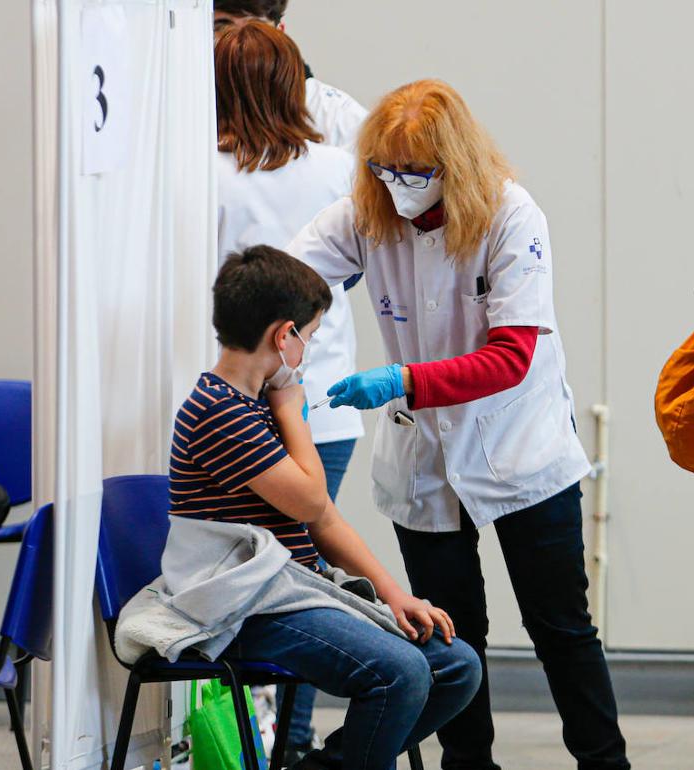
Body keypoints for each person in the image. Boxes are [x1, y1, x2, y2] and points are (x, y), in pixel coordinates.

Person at [287, 79, 631, 770]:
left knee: (559, 626)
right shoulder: (367, 211)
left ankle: (604, 762)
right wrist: (263, 327)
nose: (399, 186)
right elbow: (288, 276)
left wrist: (402, 379)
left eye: (415, 172)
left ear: (455, 162)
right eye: (385, 170)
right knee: (450, 634)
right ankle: (467, 764)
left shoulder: (511, 216)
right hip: (423, 455)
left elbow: (510, 358)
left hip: (520, 448)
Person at [172, 245, 480, 770]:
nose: (307, 348)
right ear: (283, 335)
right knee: (400, 673)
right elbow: (315, 501)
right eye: (309, 336)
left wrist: (394, 595)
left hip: (292, 591)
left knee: (455, 665)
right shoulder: (218, 410)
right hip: (247, 606)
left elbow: (325, 522)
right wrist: (293, 410)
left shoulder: (257, 400)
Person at [213, 20, 363, 762]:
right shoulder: (339, 169)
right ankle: (293, 747)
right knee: (311, 583)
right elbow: (353, 274)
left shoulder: (202, 173)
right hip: (321, 402)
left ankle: (235, 739)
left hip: (232, 408)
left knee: (229, 580)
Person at [213, 0, 368, 149]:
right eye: (222, 27)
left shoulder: (338, 117)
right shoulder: (192, 108)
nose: (237, 40)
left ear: (280, 32)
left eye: (255, 28)